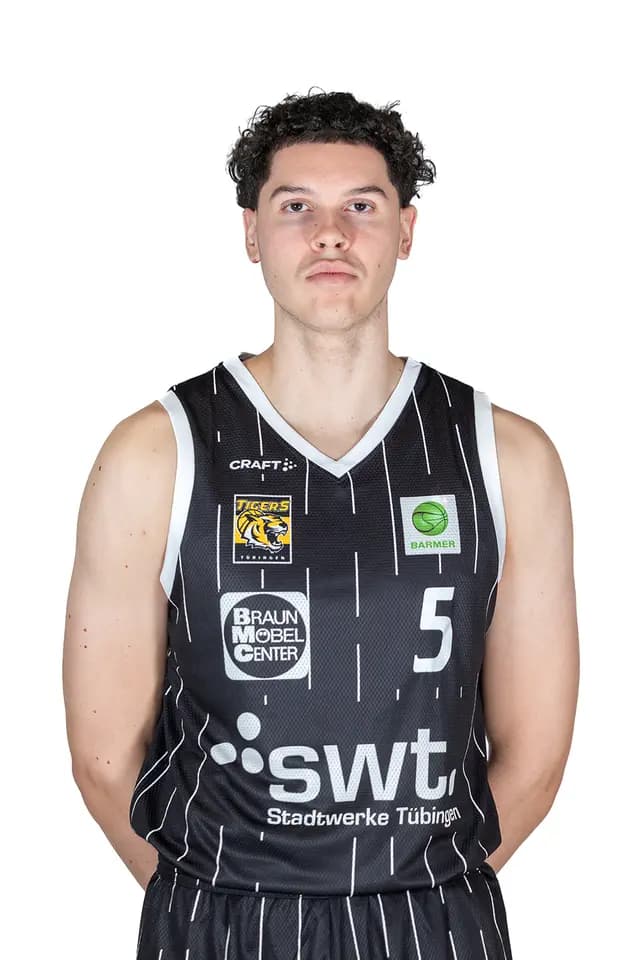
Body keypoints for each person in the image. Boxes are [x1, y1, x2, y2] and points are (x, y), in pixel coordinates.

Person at [63, 88, 579, 959]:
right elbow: (104, 759)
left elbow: (535, 759)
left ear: (406, 231)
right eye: (296, 207)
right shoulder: (156, 452)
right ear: (252, 234)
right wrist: (224, 902)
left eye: (361, 207)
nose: (330, 234)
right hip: (220, 920)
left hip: (432, 921)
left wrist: (407, 891)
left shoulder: (507, 456)